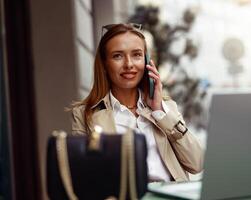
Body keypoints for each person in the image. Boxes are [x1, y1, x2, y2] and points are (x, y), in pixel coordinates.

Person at [71, 23, 203, 182]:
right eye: (117, 56)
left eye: (136, 55)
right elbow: (83, 178)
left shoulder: (166, 109)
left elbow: (197, 163)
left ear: (147, 61)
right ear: (105, 64)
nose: (129, 64)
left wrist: (159, 111)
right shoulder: (85, 114)